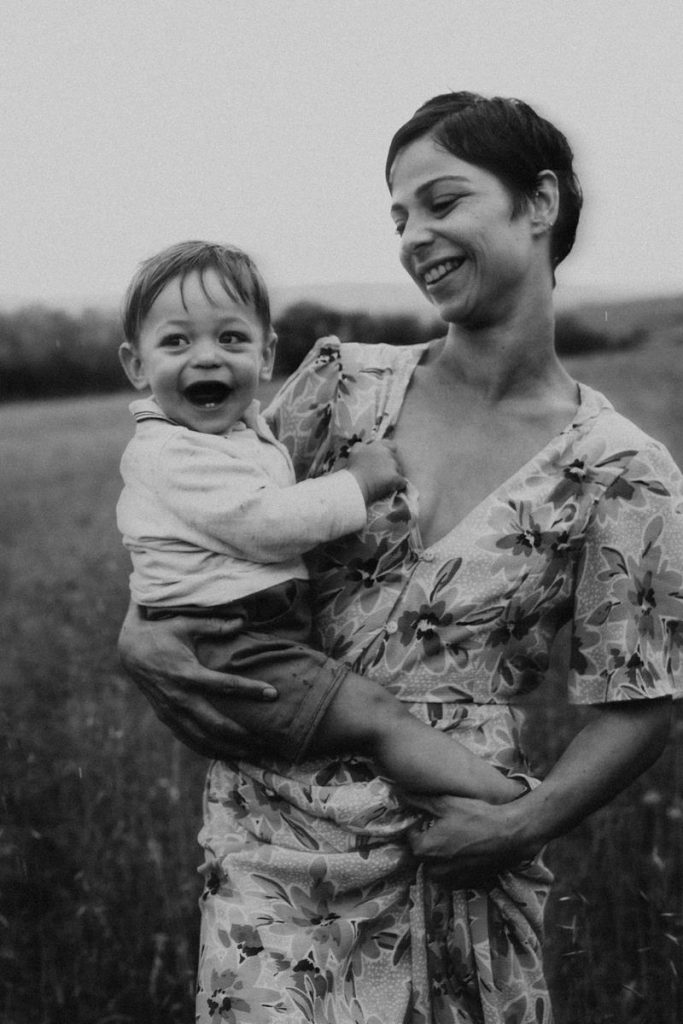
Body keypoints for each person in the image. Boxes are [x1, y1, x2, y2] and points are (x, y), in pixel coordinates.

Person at [118, 93, 683, 1024]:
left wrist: (518, 824)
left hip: (455, 843)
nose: (414, 236)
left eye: (441, 201)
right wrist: (138, 632)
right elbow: (202, 521)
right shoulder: (341, 384)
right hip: (275, 838)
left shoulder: (624, 470)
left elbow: (642, 703)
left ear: (537, 204)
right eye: (398, 216)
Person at [116, 239, 528, 802]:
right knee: (380, 719)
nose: (207, 356)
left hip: (253, 634)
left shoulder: (235, 434)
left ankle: (465, 801)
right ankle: (512, 804)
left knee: (368, 733)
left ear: (265, 357)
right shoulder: (169, 452)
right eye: (176, 341)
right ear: (137, 365)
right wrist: (357, 482)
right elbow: (265, 524)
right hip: (231, 644)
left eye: (231, 337)